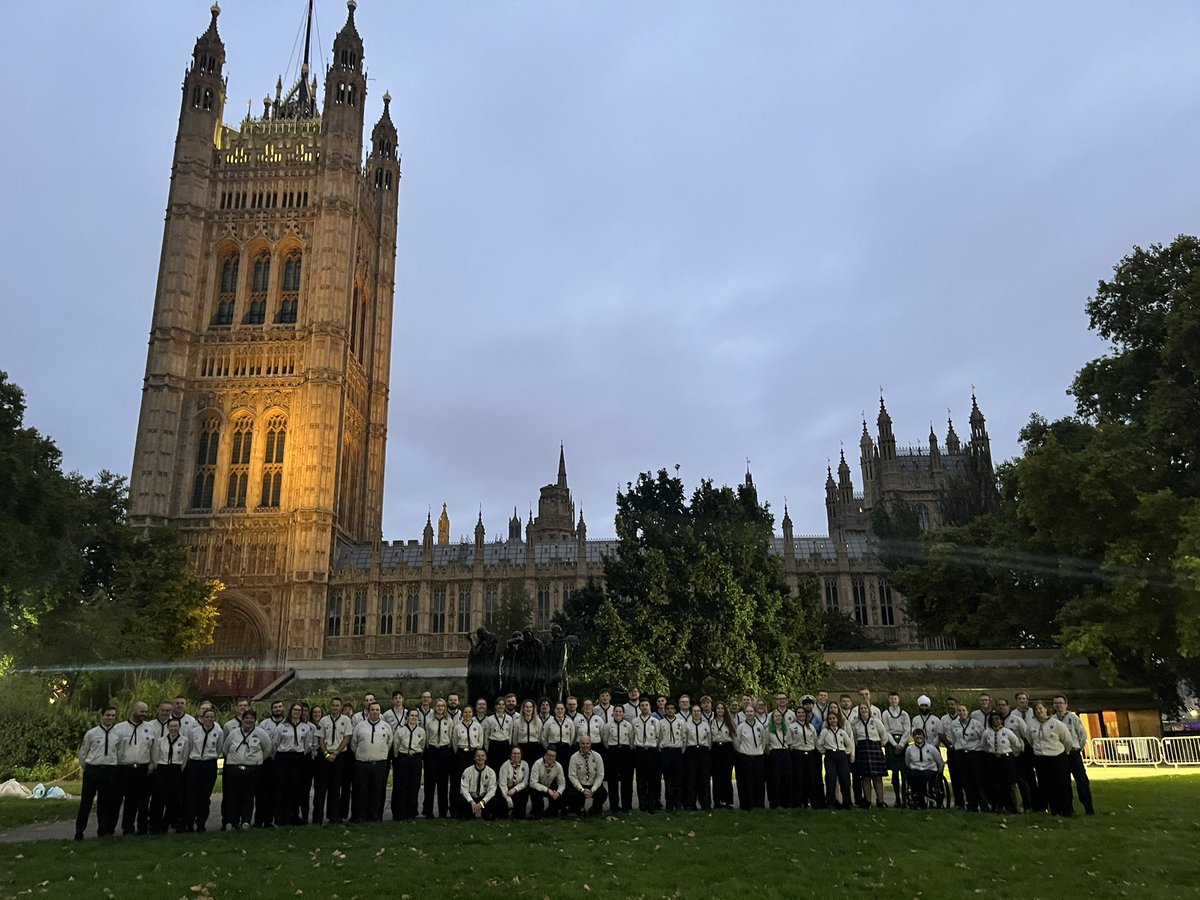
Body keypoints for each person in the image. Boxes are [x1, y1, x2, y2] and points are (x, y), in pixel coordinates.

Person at [75, 706, 122, 840]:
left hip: (109, 770)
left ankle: (103, 831)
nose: (110, 718)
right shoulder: (92, 733)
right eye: (108, 715)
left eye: (113, 715)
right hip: (93, 770)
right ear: (102, 716)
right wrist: (87, 767)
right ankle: (79, 831)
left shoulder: (117, 734)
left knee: (105, 803)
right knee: (86, 802)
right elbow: (83, 753)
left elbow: (118, 752)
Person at [222, 709, 271, 831]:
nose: (249, 721)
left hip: (252, 770)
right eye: (246, 718)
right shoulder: (234, 733)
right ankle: (231, 821)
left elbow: (267, 749)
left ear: (255, 720)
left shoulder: (260, 733)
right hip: (234, 769)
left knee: (248, 796)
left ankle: (245, 821)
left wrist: (257, 760)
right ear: (242, 719)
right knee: (232, 796)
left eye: (251, 718)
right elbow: (225, 749)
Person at [112, 701, 155, 836]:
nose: (144, 714)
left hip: (141, 768)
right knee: (116, 799)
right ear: (134, 710)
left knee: (133, 800)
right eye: (141, 711)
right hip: (123, 768)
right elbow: (114, 749)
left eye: (146, 712)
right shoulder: (119, 728)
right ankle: (109, 828)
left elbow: (153, 748)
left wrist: (152, 764)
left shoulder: (150, 728)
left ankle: (128, 827)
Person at [1028, 701, 1074, 817]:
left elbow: (1067, 740)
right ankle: (1055, 810)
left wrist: (1064, 752)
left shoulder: (1057, 724)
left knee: (1061, 784)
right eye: (1036, 710)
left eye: (1040, 708)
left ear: (1046, 709)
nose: (1039, 711)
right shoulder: (1032, 725)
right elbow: (1030, 739)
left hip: (1057, 757)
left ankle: (1066, 810)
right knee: (1046, 785)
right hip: (1041, 758)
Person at [273, 702, 314, 827]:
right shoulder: (282, 727)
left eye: (299, 710)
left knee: (296, 789)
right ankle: (281, 818)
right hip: (283, 758)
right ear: (290, 711)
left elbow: (307, 745)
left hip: (298, 758)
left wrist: (300, 755)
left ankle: (294, 816)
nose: (297, 712)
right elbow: (275, 743)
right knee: (282, 788)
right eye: (295, 710)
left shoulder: (305, 727)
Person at [1052, 694, 1095, 815]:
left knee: (1081, 781)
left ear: (1066, 704)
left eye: (1061, 703)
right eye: (1056, 703)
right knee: (1063, 782)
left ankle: (1088, 807)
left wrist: (1078, 748)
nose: (1058, 705)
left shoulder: (1073, 718)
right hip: (1060, 754)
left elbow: (1082, 734)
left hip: (1073, 753)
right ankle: (1067, 808)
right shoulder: (1052, 720)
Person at [350, 701, 392, 822]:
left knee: (377, 791)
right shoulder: (360, 726)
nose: (375, 712)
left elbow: (389, 743)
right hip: (362, 764)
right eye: (372, 710)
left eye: (377, 710)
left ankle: (375, 817)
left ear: (380, 712)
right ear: (368, 711)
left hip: (379, 764)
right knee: (361, 791)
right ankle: (360, 816)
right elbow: (354, 744)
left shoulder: (386, 726)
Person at [149, 717, 189, 833]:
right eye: (171, 726)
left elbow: (185, 757)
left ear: (179, 727)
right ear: (168, 727)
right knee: (158, 799)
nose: (173, 728)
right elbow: (156, 755)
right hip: (162, 768)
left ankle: (166, 825)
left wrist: (178, 769)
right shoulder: (161, 740)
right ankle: (155, 825)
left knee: (173, 799)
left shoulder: (184, 741)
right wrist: (158, 767)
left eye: (175, 726)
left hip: (175, 769)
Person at [184, 707, 221, 832]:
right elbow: (189, 746)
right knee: (192, 795)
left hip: (209, 764)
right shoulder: (194, 731)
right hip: (195, 763)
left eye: (211, 717)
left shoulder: (218, 731)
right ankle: (189, 823)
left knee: (205, 796)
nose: (209, 719)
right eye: (207, 717)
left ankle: (201, 822)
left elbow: (219, 748)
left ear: (214, 718)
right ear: (202, 718)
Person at [318, 697, 353, 825]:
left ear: (341, 706)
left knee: (336, 787)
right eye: (333, 705)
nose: (335, 708)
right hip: (325, 756)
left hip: (339, 756)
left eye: (337, 705)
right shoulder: (323, 720)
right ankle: (318, 817)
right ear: (330, 706)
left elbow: (347, 738)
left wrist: (336, 753)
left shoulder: (346, 720)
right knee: (322, 787)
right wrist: (326, 754)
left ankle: (334, 816)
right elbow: (321, 738)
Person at [982, 712, 1023, 813]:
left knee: (1011, 783)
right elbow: (984, 745)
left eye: (997, 719)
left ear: (1001, 720)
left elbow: (1017, 744)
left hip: (1006, 758)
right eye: (993, 720)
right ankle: (998, 805)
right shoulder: (987, 732)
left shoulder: (1007, 732)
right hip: (993, 759)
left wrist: (1011, 753)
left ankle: (1017, 806)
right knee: (996, 783)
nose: (995, 721)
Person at [850, 702, 889, 809]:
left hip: (874, 749)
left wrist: (879, 745)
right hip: (862, 750)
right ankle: (867, 801)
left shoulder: (876, 721)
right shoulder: (855, 723)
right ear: (859, 711)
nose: (863, 710)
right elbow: (854, 738)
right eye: (861, 709)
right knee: (865, 777)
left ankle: (880, 801)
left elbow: (884, 736)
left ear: (869, 710)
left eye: (865, 708)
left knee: (877, 777)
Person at [948, 703, 985, 812]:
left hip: (974, 753)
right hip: (961, 754)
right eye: (959, 711)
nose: (962, 712)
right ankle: (971, 805)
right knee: (966, 780)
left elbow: (983, 738)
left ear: (968, 712)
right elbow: (953, 739)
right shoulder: (954, 724)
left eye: (964, 710)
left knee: (977, 780)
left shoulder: (976, 724)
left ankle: (983, 804)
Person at [256, 699, 287, 827]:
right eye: (275, 707)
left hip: (282, 761)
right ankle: (262, 819)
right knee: (263, 792)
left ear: (283, 708)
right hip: (267, 761)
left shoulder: (288, 724)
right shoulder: (264, 724)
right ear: (272, 709)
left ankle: (279, 818)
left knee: (279, 791)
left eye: (280, 707)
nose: (278, 709)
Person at [391, 708, 426, 821]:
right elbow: (396, 746)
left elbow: (422, 745)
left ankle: (411, 813)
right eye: (412, 715)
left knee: (414, 786)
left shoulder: (421, 731)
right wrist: (399, 758)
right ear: (407, 717)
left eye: (416, 716)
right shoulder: (400, 731)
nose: (414, 718)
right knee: (401, 786)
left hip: (415, 759)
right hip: (403, 759)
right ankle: (400, 813)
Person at [452, 706, 486, 817]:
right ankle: (459, 809)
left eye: (470, 712)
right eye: (465, 712)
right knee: (460, 781)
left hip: (473, 754)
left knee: (474, 780)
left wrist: (476, 754)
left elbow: (480, 742)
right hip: (462, 754)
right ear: (462, 714)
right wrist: (460, 753)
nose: (467, 714)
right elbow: (454, 743)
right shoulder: (457, 727)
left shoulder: (478, 726)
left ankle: (476, 808)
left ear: (473, 713)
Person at [423, 698, 455, 819]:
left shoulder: (449, 721)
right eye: (438, 706)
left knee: (443, 783)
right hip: (432, 751)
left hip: (444, 752)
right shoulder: (429, 721)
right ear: (435, 707)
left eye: (442, 706)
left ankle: (443, 812)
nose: (440, 708)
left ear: (445, 707)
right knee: (429, 783)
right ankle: (428, 811)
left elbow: (451, 738)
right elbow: (427, 737)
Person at [818, 707, 854, 810]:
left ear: (837, 719)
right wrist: (824, 751)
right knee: (831, 779)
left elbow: (849, 744)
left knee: (845, 779)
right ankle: (831, 803)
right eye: (830, 719)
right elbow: (819, 744)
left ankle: (847, 803)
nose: (832, 720)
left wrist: (845, 753)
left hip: (841, 756)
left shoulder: (842, 731)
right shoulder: (825, 732)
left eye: (834, 718)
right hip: (830, 756)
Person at [788, 707, 822, 809]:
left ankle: (811, 802)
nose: (801, 714)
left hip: (810, 754)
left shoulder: (811, 727)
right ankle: (798, 802)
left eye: (803, 712)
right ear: (796, 715)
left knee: (810, 778)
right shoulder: (791, 727)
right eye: (799, 713)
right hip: (797, 753)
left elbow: (815, 740)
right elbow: (789, 741)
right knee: (798, 779)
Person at [880, 692, 911, 806]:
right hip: (891, 742)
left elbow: (907, 730)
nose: (893, 701)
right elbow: (886, 730)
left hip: (902, 741)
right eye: (891, 699)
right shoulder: (885, 714)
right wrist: (894, 744)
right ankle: (897, 798)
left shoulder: (904, 714)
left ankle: (905, 798)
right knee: (894, 771)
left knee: (904, 771)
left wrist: (901, 744)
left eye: (895, 699)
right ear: (889, 700)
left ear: (899, 700)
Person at [604, 703, 635, 813]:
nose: (618, 713)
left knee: (626, 780)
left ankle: (626, 805)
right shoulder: (608, 725)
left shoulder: (628, 725)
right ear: (613, 713)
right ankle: (614, 805)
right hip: (612, 752)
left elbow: (631, 740)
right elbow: (605, 740)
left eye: (620, 711)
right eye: (616, 711)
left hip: (625, 752)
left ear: (623, 713)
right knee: (613, 780)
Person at [566, 735, 608, 815]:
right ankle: (578, 808)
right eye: (583, 743)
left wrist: (593, 790)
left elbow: (600, 775)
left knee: (603, 793)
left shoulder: (597, 756)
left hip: (593, 785)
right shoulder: (574, 757)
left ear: (590, 744)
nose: (585, 745)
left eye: (587, 743)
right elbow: (572, 776)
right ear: (579, 744)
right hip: (580, 785)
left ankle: (595, 808)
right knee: (571, 794)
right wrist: (582, 790)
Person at [734, 707, 766, 810]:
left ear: (755, 712)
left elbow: (763, 741)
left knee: (759, 782)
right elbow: (737, 742)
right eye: (747, 711)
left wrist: (759, 751)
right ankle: (748, 804)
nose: (749, 713)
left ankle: (759, 804)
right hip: (746, 757)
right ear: (745, 713)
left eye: (751, 711)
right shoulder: (741, 727)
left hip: (758, 757)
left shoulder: (760, 726)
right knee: (747, 782)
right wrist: (743, 752)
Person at [903, 729, 943, 810]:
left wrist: (940, 772)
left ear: (924, 736)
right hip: (916, 769)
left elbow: (940, 762)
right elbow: (907, 762)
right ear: (913, 737)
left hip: (929, 769)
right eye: (916, 735)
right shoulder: (909, 749)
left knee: (924, 776)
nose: (918, 737)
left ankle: (924, 796)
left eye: (920, 735)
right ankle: (916, 795)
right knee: (911, 775)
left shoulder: (931, 748)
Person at [633, 699, 661, 812]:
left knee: (652, 779)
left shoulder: (655, 721)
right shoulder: (635, 721)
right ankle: (642, 804)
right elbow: (632, 737)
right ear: (639, 707)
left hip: (652, 752)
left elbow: (658, 737)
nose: (644, 707)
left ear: (649, 707)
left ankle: (652, 804)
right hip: (639, 751)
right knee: (641, 780)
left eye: (646, 705)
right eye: (642, 705)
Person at [657, 701, 685, 812]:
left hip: (677, 751)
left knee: (678, 779)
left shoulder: (680, 722)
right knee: (668, 779)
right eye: (668, 708)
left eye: (672, 708)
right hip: (666, 752)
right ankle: (669, 804)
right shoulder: (661, 723)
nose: (670, 710)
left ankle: (678, 803)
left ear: (675, 710)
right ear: (665, 710)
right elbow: (658, 737)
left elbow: (683, 737)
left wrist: (681, 750)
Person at [710, 701, 737, 810]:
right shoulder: (711, 722)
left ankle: (728, 801)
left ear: (725, 710)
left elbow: (735, 738)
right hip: (716, 749)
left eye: (722, 708)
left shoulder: (730, 722)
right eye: (718, 708)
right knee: (716, 776)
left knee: (726, 776)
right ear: (715, 710)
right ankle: (717, 801)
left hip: (727, 749)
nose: (720, 710)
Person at [764, 709, 792, 809]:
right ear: (772, 718)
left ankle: (786, 802)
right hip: (774, 754)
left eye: (779, 716)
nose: (778, 718)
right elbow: (767, 745)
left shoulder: (786, 729)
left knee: (786, 778)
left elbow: (789, 743)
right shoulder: (768, 730)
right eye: (776, 716)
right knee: (775, 779)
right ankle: (775, 802)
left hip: (785, 753)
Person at [939, 697, 964, 809]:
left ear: (957, 705)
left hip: (962, 750)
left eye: (952, 704)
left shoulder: (962, 717)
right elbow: (941, 734)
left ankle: (970, 801)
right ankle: (958, 802)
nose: (950, 706)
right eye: (948, 704)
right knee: (954, 777)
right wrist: (949, 745)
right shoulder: (944, 719)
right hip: (951, 750)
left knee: (964, 776)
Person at [460, 748, 498, 819]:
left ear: (486, 758)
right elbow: (464, 789)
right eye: (478, 756)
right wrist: (472, 802)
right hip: (472, 799)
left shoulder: (491, 772)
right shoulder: (467, 771)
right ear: (474, 758)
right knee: (460, 801)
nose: (480, 758)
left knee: (494, 800)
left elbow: (492, 790)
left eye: (482, 756)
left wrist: (481, 803)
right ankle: (472, 812)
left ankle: (484, 813)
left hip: (483, 800)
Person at [529, 746, 566, 818]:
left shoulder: (558, 766)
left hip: (551, 786)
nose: (551, 757)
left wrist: (558, 792)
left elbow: (562, 783)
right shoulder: (537, 763)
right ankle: (537, 810)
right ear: (545, 755)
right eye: (549, 755)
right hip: (539, 787)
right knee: (533, 791)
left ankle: (550, 812)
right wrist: (547, 790)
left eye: (553, 756)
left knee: (553, 813)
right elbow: (533, 783)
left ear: (555, 757)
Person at [496, 746, 530, 819]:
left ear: (521, 755)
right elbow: (502, 784)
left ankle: (518, 812)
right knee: (502, 816)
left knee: (525, 792)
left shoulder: (525, 764)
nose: (516, 755)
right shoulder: (505, 765)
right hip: (505, 790)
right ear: (510, 755)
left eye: (518, 753)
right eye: (514, 753)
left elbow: (525, 782)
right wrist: (508, 799)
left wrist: (515, 789)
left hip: (517, 790)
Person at [484, 697, 514, 773]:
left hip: (505, 745)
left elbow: (510, 734)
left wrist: (509, 745)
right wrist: (487, 749)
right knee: (493, 767)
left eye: (503, 704)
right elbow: (486, 735)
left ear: (505, 706)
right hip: (494, 745)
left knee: (504, 767)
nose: (501, 706)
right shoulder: (489, 719)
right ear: (495, 706)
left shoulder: (509, 719)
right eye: (499, 704)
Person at [514, 699, 543, 767]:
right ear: (523, 709)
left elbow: (540, 736)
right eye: (526, 707)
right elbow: (515, 738)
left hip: (534, 748)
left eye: (530, 707)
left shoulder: (538, 721)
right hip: (522, 748)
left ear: (533, 709)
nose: (528, 709)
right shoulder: (517, 722)